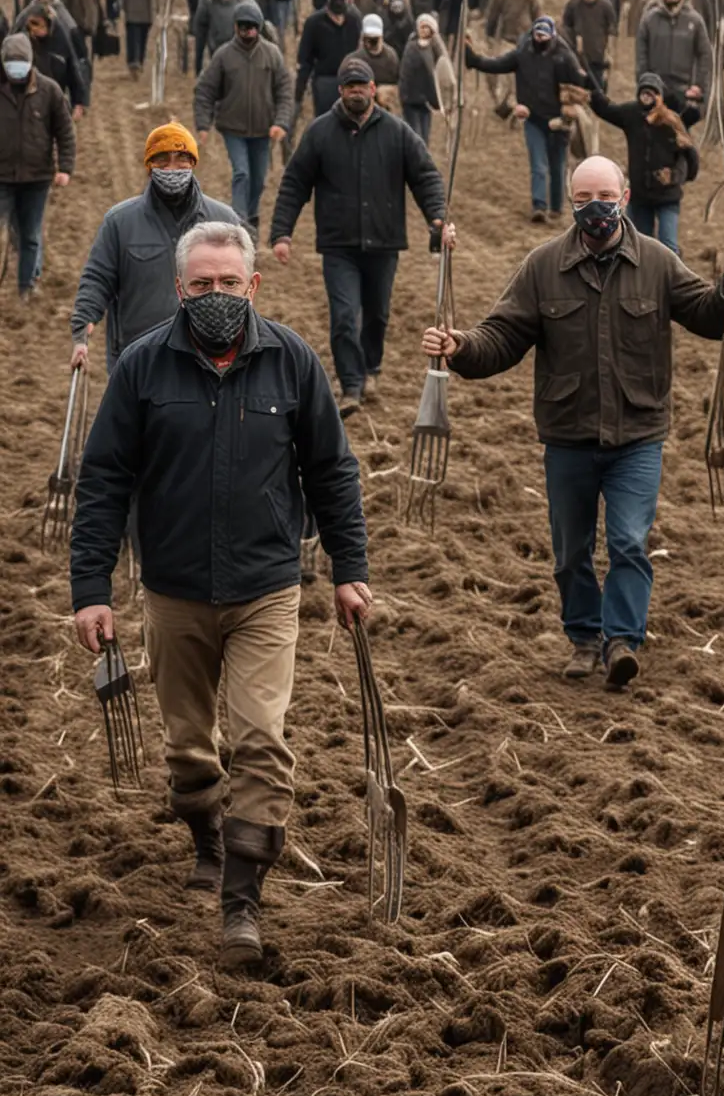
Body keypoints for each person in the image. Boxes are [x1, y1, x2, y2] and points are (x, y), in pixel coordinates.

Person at [70, 220, 370, 967]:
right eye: (200, 285)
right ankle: (204, 829)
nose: (215, 297)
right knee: (189, 749)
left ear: (252, 285)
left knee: (261, 740)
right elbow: (103, 480)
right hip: (171, 589)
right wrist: (91, 588)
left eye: (228, 284)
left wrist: (348, 568)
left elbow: (332, 470)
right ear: (179, 289)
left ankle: (241, 903)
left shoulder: (292, 362)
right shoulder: (142, 368)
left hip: (265, 588)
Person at [421, 155, 724, 688]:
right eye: (581, 200)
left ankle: (621, 639)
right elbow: (501, 337)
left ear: (624, 198)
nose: (594, 208)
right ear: (571, 203)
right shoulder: (543, 266)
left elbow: (713, 317)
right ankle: (583, 637)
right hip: (568, 433)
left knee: (627, 541)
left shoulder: (657, 262)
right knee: (571, 550)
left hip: (638, 433)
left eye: (604, 197)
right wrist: (459, 346)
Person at [269, 56, 450, 416]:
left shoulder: (397, 132)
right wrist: (281, 233)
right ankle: (351, 384)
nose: (356, 92)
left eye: (361, 85)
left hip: (384, 242)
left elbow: (425, 176)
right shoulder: (320, 132)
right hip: (339, 245)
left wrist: (438, 218)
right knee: (344, 315)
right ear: (340, 91)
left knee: (378, 314)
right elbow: (295, 183)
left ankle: (371, 368)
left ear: (372, 89)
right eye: (348, 86)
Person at [72, 124, 240, 373]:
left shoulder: (223, 220)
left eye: (182, 158)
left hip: (206, 353)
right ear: (150, 167)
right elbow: (98, 277)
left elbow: (240, 286)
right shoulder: (120, 222)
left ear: (193, 162)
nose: (172, 168)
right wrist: (82, 329)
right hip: (137, 356)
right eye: (163, 160)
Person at [465, 16, 589, 224]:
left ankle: (556, 208)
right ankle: (539, 206)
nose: (540, 39)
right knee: (538, 164)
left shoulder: (565, 57)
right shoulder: (523, 54)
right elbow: (497, 64)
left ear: (552, 36)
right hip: (533, 118)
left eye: (544, 36)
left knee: (557, 165)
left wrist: (573, 104)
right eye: (537, 35)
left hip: (560, 120)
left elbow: (580, 84)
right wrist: (473, 59)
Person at [193, 1, 294, 235]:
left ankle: (251, 219)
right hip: (233, 127)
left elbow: (284, 91)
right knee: (242, 173)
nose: (247, 31)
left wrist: (281, 121)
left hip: (262, 129)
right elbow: (205, 90)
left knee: (258, 181)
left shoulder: (272, 54)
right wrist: (203, 124)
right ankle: (239, 225)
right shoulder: (224, 55)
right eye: (242, 26)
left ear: (259, 27)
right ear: (235, 26)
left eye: (251, 26)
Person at [585, 73, 700, 253]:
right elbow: (607, 110)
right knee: (639, 247)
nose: (647, 98)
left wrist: (674, 177)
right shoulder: (631, 114)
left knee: (668, 246)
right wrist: (594, 92)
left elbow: (686, 156)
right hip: (640, 197)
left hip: (667, 196)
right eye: (644, 93)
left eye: (652, 94)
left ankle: (673, 279)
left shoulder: (672, 121)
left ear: (660, 97)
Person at [0, 33, 74, 301]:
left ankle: (26, 287)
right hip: (2, 176)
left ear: (30, 62)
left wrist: (64, 167)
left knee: (30, 235)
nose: (15, 69)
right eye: (11, 63)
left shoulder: (49, 91)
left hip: (37, 177)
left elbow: (65, 131)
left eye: (21, 63)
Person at [636, 0, 710, 108]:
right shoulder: (649, 20)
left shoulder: (694, 20)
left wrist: (699, 84)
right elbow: (641, 53)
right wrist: (643, 81)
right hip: (655, 85)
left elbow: (705, 53)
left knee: (679, 125)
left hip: (683, 87)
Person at [295, 0, 363, 118]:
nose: (338, 2)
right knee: (326, 124)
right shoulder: (314, 22)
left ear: (348, 0)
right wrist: (299, 91)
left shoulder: (354, 20)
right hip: (324, 80)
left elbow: (360, 51)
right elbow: (305, 58)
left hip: (349, 80)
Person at [192, 0, 257, 73]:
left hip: (238, 50)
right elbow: (200, 28)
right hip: (215, 50)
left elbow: (256, 20)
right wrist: (198, 62)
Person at [562, 0, 618, 91]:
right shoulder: (574, 4)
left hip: (598, 55)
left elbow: (612, 31)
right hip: (577, 55)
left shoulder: (606, 6)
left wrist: (610, 52)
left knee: (597, 90)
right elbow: (565, 26)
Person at [399, 14, 449, 144]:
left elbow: (443, 67)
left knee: (425, 136)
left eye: (428, 27)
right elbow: (405, 73)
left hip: (426, 100)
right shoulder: (411, 47)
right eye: (422, 26)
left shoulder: (434, 48)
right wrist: (404, 95)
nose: (424, 30)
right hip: (411, 98)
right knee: (416, 136)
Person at [121, 0, 155, 77]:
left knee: (132, 42)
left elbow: (123, 1)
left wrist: (126, 12)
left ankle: (133, 62)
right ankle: (139, 61)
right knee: (142, 42)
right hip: (145, 19)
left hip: (132, 18)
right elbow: (151, 3)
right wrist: (151, 18)